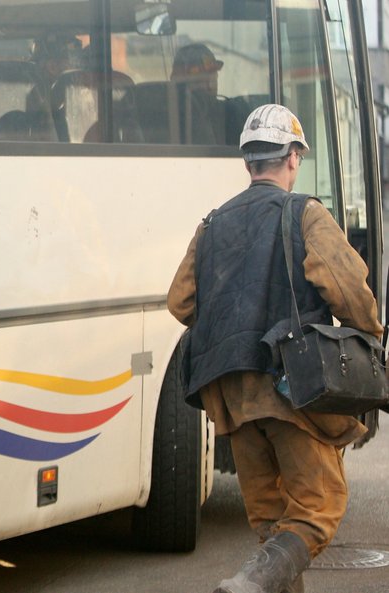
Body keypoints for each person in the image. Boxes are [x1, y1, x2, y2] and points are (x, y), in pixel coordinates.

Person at [167, 104, 381, 593]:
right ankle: (252, 580)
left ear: (248, 163)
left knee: (271, 521)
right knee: (316, 510)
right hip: (291, 386)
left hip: (231, 396)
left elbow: (180, 301)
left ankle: (257, 580)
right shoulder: (304, 213)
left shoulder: (212, 224)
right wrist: (370, 333)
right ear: (292, 158)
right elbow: (349, 291)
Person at [170, 43, 236, 144]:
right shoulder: (168, 118)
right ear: (180, 85)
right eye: (200, 81)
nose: (210, 87)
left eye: (213, 79)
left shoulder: (229, 114)